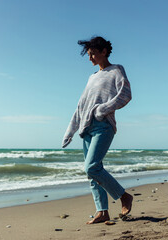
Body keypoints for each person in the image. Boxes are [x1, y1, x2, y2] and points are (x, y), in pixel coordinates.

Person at [62, 36, 133, 224]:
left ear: (104, 52)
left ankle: (124, 196)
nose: (90, 58)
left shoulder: (116, 70)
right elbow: (81, 105)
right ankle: (102, 212)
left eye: (93, 53)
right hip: (86, 128)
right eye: (88, 54)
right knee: (92, 172)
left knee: (91, 166)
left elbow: (125, 95)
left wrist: (103, 109)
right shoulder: (92, 77)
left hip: (103, 125)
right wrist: (70, 130)